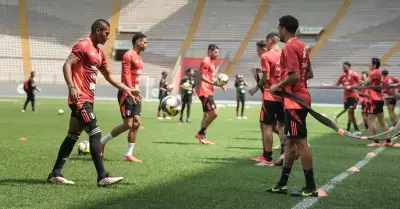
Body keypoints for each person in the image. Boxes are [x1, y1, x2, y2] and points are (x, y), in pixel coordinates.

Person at [47, 19, 140, 186]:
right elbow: (67, 64)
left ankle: (55, 173)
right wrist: (71, 87)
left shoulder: (100, 54)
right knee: (95, 133)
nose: (107, 37)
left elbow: (109, 76)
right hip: (80, 98)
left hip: (88, 99)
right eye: (106, 34)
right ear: (97, 31)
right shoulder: (83, 45)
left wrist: (127, 89)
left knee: (72, 135)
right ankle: (102, 176)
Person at [265, 15, 317, 197]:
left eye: (279, 27)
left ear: (283, 29)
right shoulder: (302, 45)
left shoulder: (289, 46)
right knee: (289, 143)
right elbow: (308, 73)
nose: (278, 31)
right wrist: (289, 86)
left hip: (295, 102)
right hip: (297, 98)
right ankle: (282, 184)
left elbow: (295, 76)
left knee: (301, 142)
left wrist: (278, 86)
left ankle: (310, 187)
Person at [100, 33, 147, 163]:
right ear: (138, 42)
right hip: (126, 93)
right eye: (145, 42)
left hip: (134, 93)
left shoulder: (138, 56)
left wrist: (136, 89)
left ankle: (128, 154)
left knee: (137, 123)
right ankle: (101, 142)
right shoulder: (128, 55)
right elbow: (125, 76)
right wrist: (131, 89)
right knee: (128, 124)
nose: (146, 45)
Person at [195, 44, 225, 145]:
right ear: (210, 51)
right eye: (215, 52)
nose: (217, 55)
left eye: (218, 53)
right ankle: (200, 133)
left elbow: (210, 77)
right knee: (215, 113)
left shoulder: (211, 62)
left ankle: (202, 138)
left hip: (208, 91)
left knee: (206, 115)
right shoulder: (206, 61)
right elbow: (202, 77)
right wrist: (214, 83)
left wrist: (220, 84)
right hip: (205, 91)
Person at [364, 58, 391, 147]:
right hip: (379, 99)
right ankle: (388, 140)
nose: (369, 65)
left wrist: (364, 76)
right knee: (382, 120)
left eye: (370, 64)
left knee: (370, 120)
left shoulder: (374, 72)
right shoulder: (379, 73)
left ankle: (376, 141)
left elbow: (366, 83)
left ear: (374, 65)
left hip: (374, 99)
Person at [335, 62, 362, 135]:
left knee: (350, 112)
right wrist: (325, 86)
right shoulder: (342, 76)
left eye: (344, 67)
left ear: (349, 66)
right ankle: (357, 130)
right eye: (342, 67)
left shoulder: (354, 74)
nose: (343, 68)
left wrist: (352, 86)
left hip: (353, 96)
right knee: (351, 114)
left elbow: (360, 83)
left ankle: (348, 130)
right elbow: (336, 84)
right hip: (346, 97)